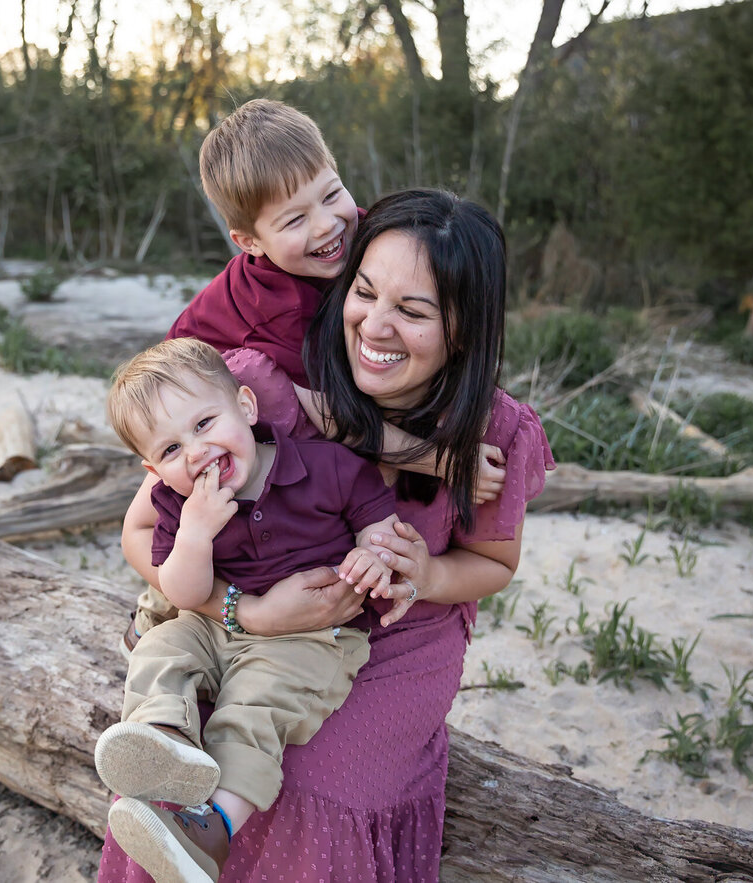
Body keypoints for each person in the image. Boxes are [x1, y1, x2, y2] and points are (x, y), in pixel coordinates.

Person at [98, 188, 556, 882]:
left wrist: (428, 574)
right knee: (179, 741)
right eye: (364, 292)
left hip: (405, 633)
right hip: (236, 609)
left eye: (412, 310)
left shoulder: (497, 431)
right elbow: (140, 532)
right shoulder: (271, 386)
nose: (374, 325)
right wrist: (243, 610)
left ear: (462, 325)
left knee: (315, 780)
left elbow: (494, 561)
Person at [126, 98, 504, 656]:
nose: (328, 224)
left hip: (305, 520)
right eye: (295, 220)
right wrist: (436, 458)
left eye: (331, 194)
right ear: (249, 242)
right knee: (260, 395)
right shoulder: (272, 310)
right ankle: (160, 614)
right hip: (225, 444)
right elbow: (321, 415)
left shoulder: (359, 245)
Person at [97, 337, 407, 882]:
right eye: (170, 451)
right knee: (162, 648)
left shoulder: (326, 467)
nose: (194, 453)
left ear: (245, 406)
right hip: (214, 622)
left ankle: (211, 828)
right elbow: (187, 594)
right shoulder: (177, 504)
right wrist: (194, 534)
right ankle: (164, 737)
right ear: (153, 469)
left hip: (309, 639)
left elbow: (379, 528)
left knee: (255, 708)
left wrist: (371, 556)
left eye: (203, 424)